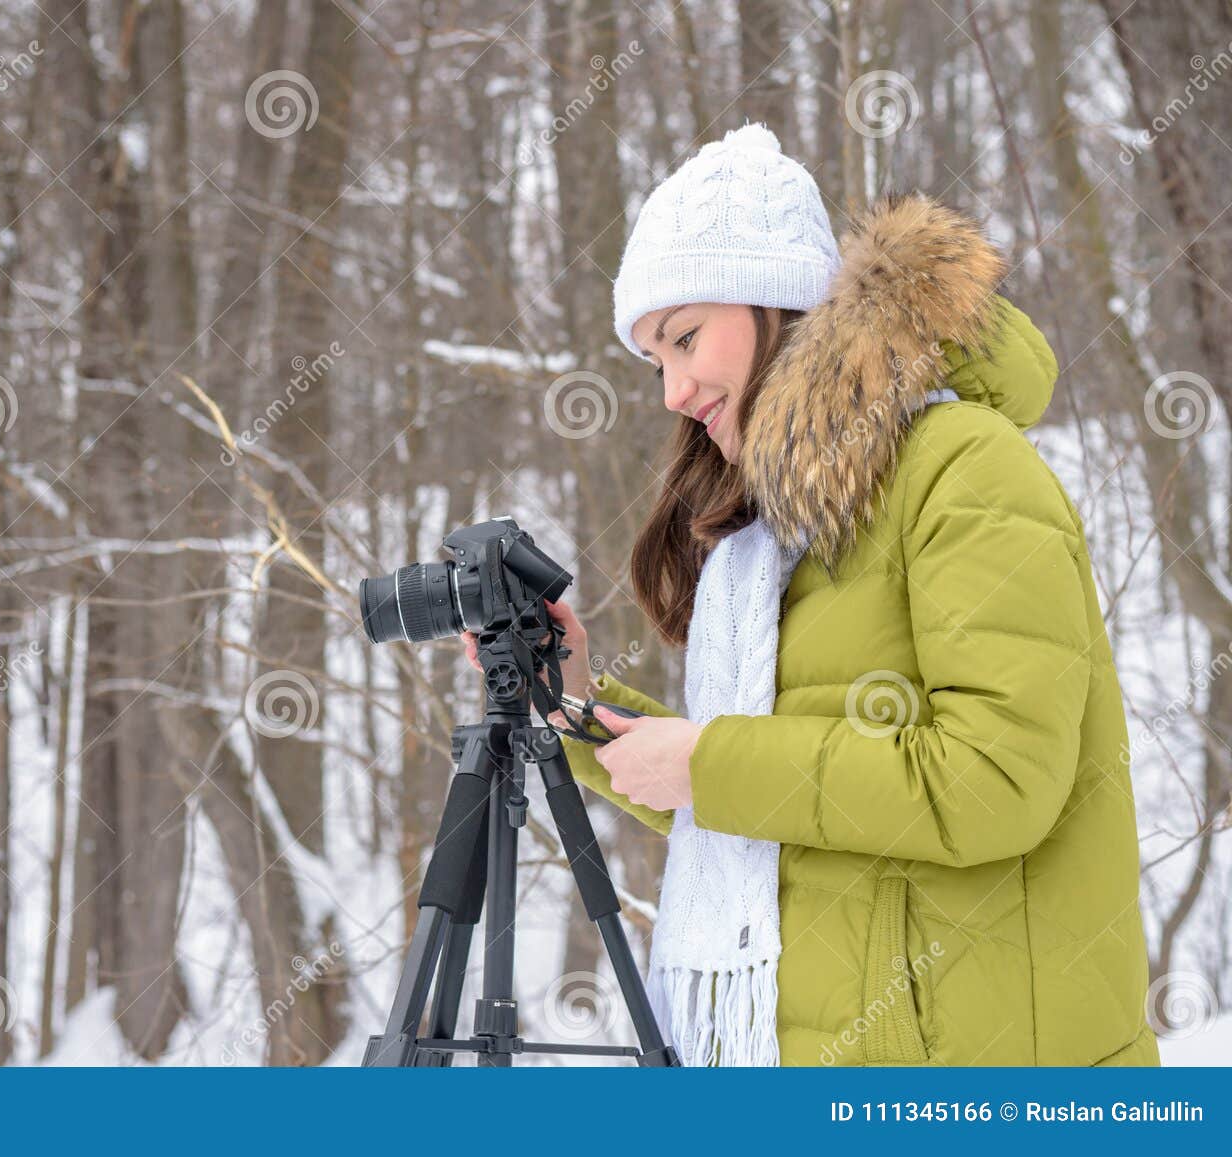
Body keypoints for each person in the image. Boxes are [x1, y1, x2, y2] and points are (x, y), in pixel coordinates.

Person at [463, 124, 1158, 1067]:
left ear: (775, 300)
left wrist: (709, 764)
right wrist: (577, 698)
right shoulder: (771, 535)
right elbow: (775, 812)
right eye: (652, 361)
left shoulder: (963, 468)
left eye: (684, 338)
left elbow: (994, 781)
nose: (671, 390)